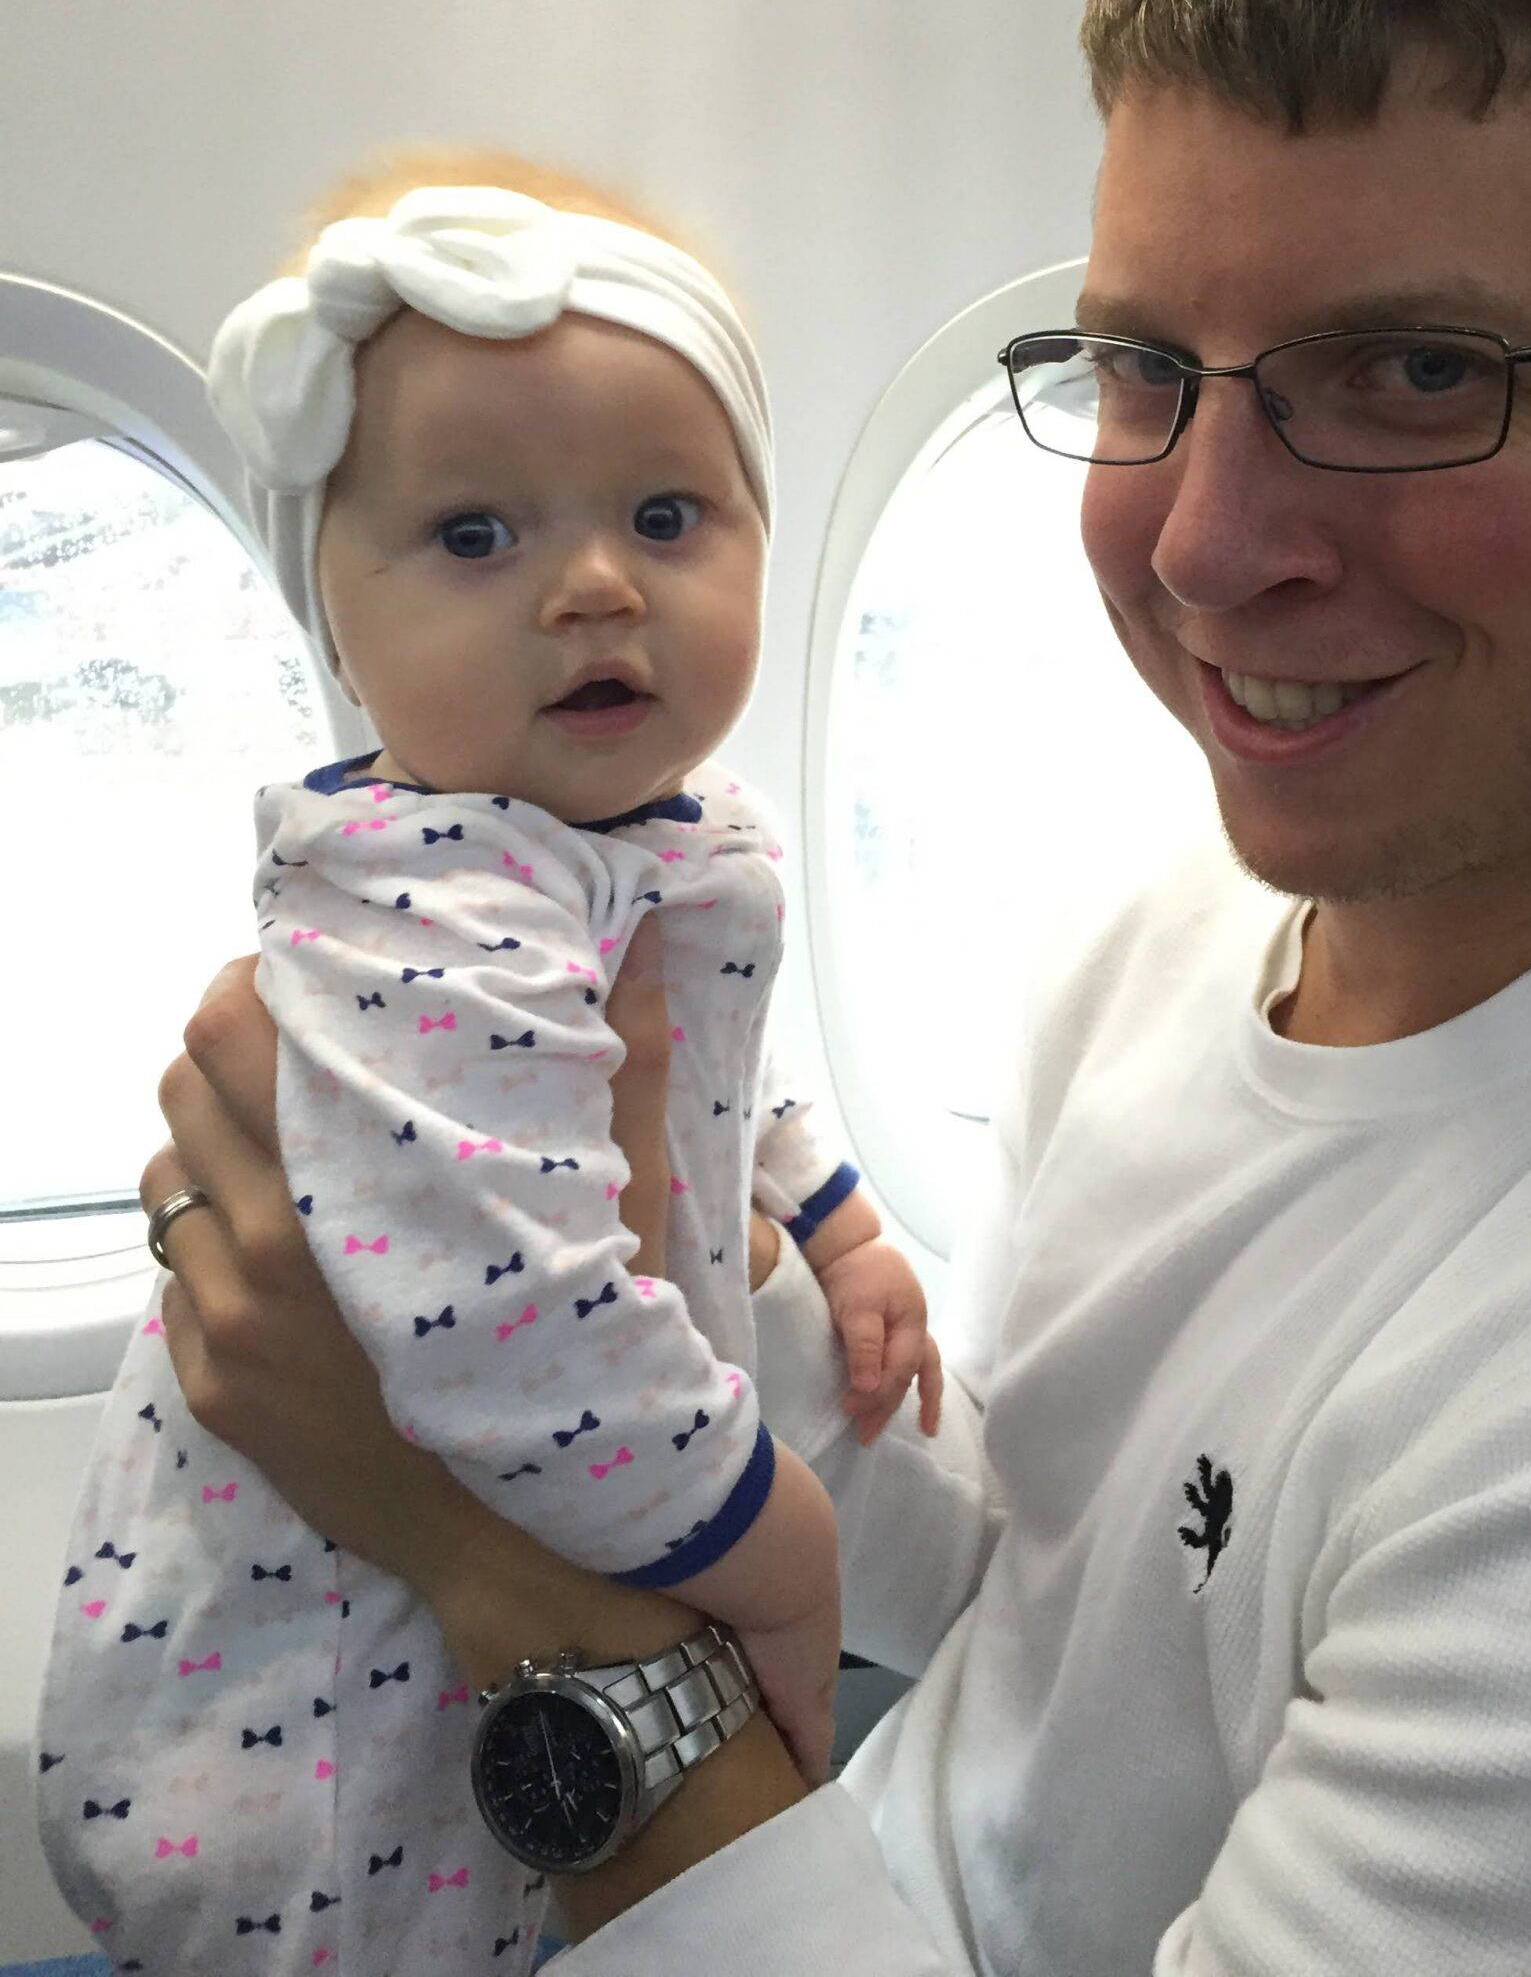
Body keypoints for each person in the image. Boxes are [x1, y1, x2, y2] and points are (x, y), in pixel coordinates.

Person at [130, 0, 1531, 1972]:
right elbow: (1042, 1575)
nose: (1201, 537)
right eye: (1144, 361)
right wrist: (636, 1253)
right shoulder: (1200, 920)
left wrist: (456, 1515)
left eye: (1415, 371)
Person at [38, 158, 939, 1976]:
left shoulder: (652, 836)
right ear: (336, 619)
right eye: (475, 537)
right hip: (317, 1673)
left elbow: (718, 1069)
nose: (595, 585)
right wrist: (784, 1554)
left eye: (670, 515)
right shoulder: (429, 901)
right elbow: (507, 1331)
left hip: (511, 1525)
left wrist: (829, 1224)